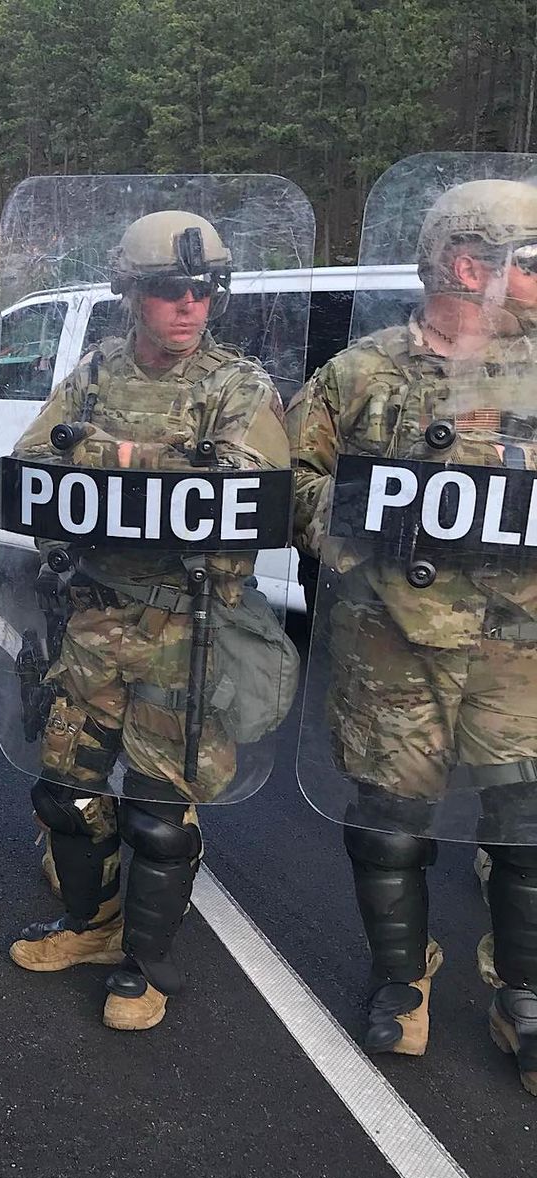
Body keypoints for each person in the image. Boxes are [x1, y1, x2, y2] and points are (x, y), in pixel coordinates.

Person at [5, 208, 294, 1031]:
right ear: (131, 294)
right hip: (94, 620)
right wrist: (162, 466)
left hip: (185, 630)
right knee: (65, 790)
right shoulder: (93, 374)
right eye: (170, 291)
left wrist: (110, 457)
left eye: (205, 291)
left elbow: (246, 490)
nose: (190, 308)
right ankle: (91, 926)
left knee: (161, 817)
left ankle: (146, 961)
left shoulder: (237, 387)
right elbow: (33, 464)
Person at [289, 170, 537, 1095]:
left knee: (526, 831)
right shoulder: (362, 373)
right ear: (469, 266)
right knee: (388, 831)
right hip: (393, 651)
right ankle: (402, 975)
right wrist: (356, 525)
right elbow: (290, 483)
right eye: (531, 262)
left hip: (520, 659)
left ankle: (525, 997)